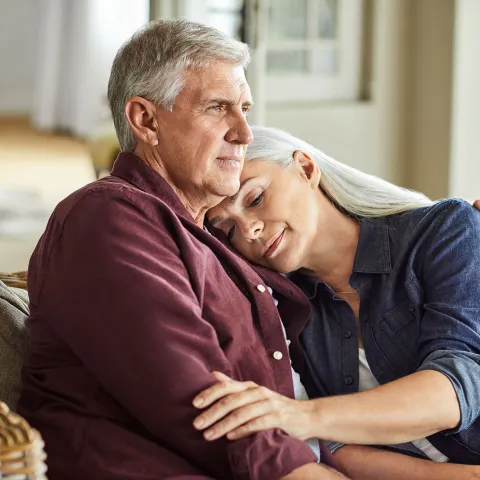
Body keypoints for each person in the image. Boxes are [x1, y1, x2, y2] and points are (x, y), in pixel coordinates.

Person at [17, 22, 343, 480]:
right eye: (218, 108)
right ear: (146, 120)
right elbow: (196, 399)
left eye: (245, 108)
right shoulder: (107, 218)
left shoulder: (214, 235)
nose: (245, 132)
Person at [195, 125, 480, 479]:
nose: (250, 230)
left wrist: (300, 416)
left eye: (255, 199)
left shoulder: (446, 229)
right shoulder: (284, 311)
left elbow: (457, 386)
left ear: (306, 169)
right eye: (229, 230)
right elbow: (332, 448)